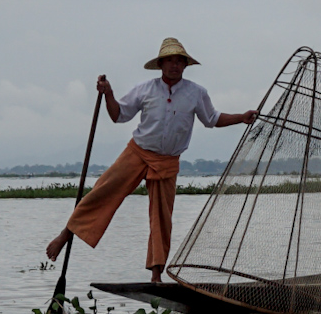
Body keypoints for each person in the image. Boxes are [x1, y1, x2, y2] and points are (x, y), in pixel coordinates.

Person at [46, 38, 259, 283]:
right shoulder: (145, 89)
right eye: (170, 60)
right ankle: (65, 234)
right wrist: (108, 94)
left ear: (186, 65)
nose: (175, 65)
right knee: (102, 191)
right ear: (161, 64)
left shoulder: (196, 93)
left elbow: (212, 118)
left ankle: (156, 274)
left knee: (162, 217)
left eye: (180, 61)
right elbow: (118, 115)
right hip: (138, 152)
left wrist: (242, 117)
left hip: (167, 161)